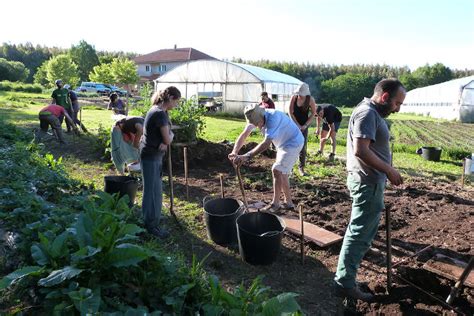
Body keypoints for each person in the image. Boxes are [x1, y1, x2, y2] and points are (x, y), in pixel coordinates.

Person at [334, 79, 406, 301]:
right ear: (385, 97)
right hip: (367, 183)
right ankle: (344, 283)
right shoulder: (367, 113)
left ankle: (346, 278)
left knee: (361, 232)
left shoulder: (370, 112)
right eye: (397, 103)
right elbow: (361, 151)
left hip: (370, 182)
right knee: (359, 234)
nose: (397, 108)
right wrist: (390, 171)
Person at [229, 104, 304, 212]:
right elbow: (244, 134)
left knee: (277, 169)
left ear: (262, 116)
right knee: (282, 172)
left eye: (258, 123)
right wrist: (234, 152)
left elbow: (266, 143)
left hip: (293, 142)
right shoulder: (254, 117)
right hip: (282, 144)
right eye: (255, 124)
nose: (258, 126)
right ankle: (289, 203)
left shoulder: (273, 118)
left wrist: (246, 156)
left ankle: (275, 204)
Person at [139, 86, 181, 239]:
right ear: (170, 98)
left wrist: (167, 138)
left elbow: (165, 138)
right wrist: (170, 136)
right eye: (176, 101)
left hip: (153, 155)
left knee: (155, 190)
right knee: (151, 191)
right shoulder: (159, 114)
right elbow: (167, 138)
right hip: (151, 156)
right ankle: (150, 226)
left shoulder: (158, 111)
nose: (176, 105)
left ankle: (152, 220)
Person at [289, 83, 317, 176]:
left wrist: (305, 125)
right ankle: (290, 167)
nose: (300, 95)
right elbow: (290, 112)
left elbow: (313, 113)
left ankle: (301, 168)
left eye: (302, 94)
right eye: (299, 93)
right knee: (291, 145)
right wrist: (296, 125)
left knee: (302, 146)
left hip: (304, 125)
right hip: (293, 124)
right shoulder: (294, 98)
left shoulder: (310, 100)